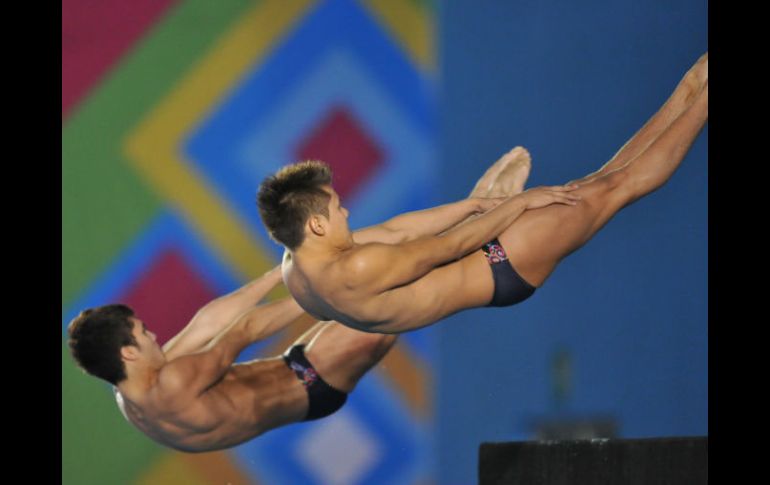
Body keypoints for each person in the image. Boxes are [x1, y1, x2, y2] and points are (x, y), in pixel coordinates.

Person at [66, 152, 529, 452]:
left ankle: (469, 221)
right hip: (312, 381)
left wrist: (281, 271)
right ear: (127, 351)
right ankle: (476, 226)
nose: (153, 333)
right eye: (144, 334)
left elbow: (207, 324)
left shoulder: (135, 392)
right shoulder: (175, 383)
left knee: (368, 280)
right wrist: (322, 291)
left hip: (296, 372)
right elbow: (243, 330)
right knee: (386, 294)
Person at [257, 53, 708, 335]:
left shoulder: (298, 272)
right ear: (316, 223)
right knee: (617, 187)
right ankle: (700, 99)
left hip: (484, 260)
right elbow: (452, 245)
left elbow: (396, 230)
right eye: (337, 209)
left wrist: (476, 204)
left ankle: (689, 89)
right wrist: (517, 203)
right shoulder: (355, 265)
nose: (347, 211)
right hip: (503, 260)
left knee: (602, 181)